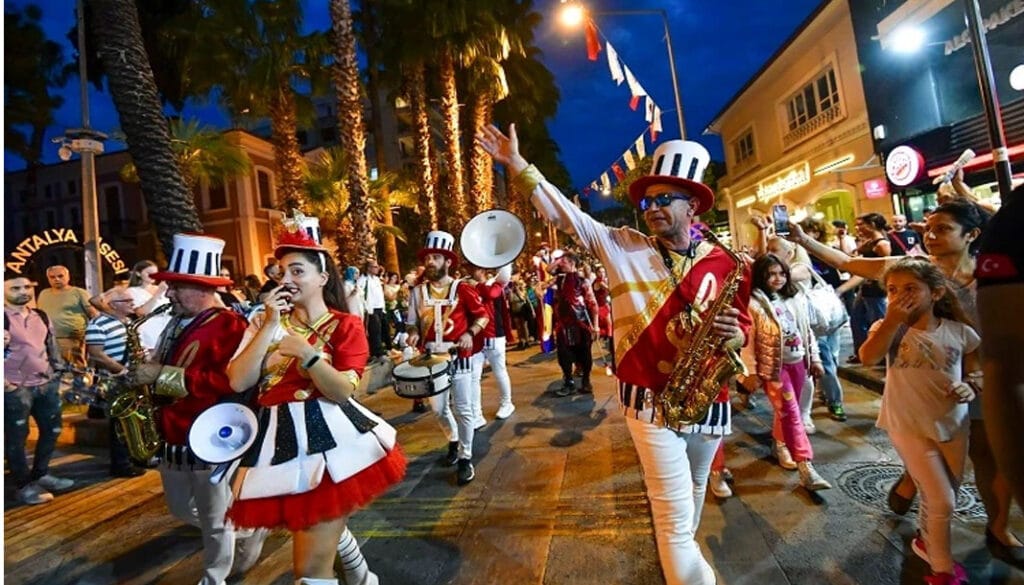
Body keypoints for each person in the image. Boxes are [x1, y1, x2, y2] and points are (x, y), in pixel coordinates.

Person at [478, 125, 750, 585]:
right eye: (648, 201)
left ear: (693, 205)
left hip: (709, 397)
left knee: (695, 490)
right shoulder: (622, 244)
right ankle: (684, 564)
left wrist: (737, 338)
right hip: (648, 399)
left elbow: (742, 324)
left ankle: (681, 552)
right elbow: (568, 216)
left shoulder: (726, 262)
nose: (654, 209)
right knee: (672, 514)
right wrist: (518, 166)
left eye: (665, 199)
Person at [788, 200, 1023, 565]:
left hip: (984, 375)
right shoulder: (916, 269)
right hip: (929, 386)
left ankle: (998, 527)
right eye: (927, 228)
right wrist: (804, 240)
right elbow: (849, 264)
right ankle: (919, 498)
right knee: (934, 449)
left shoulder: (994, 273)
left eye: (942, 229)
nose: (929, 236)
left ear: (972, 235)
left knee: (990, 454)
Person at [227, 213, 406, 585]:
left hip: (330, 441)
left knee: (309, 566)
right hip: (276, 442)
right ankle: (362, 578)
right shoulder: (263, 322)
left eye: (297, 271)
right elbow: (238, 379)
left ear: (322, 278)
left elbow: (344, 390)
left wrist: (307, 356)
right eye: (281, 272)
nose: (287, 280)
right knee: (318, 525)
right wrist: (270, 325)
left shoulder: (346, 325)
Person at [131, 234, 267, 585]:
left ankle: (214, 578)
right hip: (172, 430)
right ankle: (247, 528)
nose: (169, 294)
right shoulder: (175, 322)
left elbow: (228, 382)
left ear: (202, 288)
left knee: (213, 515)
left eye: (176, 287)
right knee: (181, 508)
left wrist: (161, 374)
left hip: (209, 434)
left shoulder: (231, 325)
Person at [859, 257, 980, 585]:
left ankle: (927, 540)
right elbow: (868, 356)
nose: (899, 296)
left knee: (939, 495)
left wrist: (970, 386)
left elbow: (975, 369)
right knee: (943, 499)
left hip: (954, 425)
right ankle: (942, 571)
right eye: (892, 290)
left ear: (936, 292)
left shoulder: (960, 332)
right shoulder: (888, 329)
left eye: (910, 289)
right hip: (906, 425)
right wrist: (891, 321)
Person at [405, 230, 490, 486]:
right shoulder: (417, 293)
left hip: (460, 358)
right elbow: (411, 323)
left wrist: (470, 333)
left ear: (448, 262)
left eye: (435, 258)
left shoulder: (462, 288)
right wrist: (411, 334)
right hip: (431, 359)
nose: (430, 262)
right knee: (439, 409)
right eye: (428, 258)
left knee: (464, 410)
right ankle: (453, 438)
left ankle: (465, 457)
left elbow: (482, 315)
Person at [743, 255, 830, 491]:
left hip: (799, 362)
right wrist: (750, 371)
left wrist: (815, 359)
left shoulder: (794, 298)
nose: (777, 279)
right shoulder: (753, 304)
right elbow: (748, 341)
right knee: (791, 412)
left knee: (788, 412)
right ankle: (806, 465)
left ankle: (780, 443)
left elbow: (806, 332)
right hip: (774, 369)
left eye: (781, 273)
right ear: (760, 276)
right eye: (771, 274)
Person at [4, 275, 74, 505]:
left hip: (46, 384)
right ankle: (23, 485)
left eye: (27, 286)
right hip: (15, 389)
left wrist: (58, 374)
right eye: (15, 288)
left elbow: (51, 345)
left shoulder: (39, 315)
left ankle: (41, 473)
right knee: (16, 438)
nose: (24, 291)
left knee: (52, 430)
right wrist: (7, 385)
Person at [84, 287, 146, 477]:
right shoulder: (98, 324)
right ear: (113, 305)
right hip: (115, 380)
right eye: (127, 301)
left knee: (136, 419)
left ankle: (136, 457)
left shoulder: (128, 322)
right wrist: (122, 370)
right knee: (120, 423)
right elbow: (96, 354)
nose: (132, 303)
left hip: (132, 376)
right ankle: (121, 464)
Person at [549, 251, 599, 397]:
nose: (560, 263)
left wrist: (595, 326)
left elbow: (593, 303)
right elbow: (547, 273)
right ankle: (569, 382)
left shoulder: (583, 281)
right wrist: (558, 261)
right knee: (564, 354)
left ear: (572, 263)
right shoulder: (559, 279)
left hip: (581, 323)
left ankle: (586, 380)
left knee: (585, 353)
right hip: (563, 324)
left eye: (563, 261)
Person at [470, 263, 516, 420]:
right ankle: (476, 414)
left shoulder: (495, 285)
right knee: (474, 376)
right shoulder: (469, 286)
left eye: (473, 269)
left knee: (499, 371)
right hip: (476, 337)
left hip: (494, 335)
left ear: (482, 271)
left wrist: (478, 285)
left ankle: (507, 403)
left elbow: (491, 294)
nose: (470, 272)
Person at [36, 264, 97, 368]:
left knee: (76, 368)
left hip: (72, 338)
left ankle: (82, 384)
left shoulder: (78, 292)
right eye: (52, 277)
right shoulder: (44, 293)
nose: (57, 279)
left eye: (60, 276)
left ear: (68, 277)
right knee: (54, 368)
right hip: (48, 339)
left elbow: (94, 315)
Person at [357, 260, 388, 360]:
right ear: (368, 268)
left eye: (377, 266)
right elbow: (360, 294)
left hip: (380, 308)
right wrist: (366, 308)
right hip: (371, 309)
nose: (377, 268)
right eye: (374, 267)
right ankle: (377, 353)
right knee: (375, 331)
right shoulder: (363, 280)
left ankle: (383, 349)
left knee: (383, 329)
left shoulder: (376, 279)